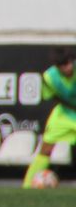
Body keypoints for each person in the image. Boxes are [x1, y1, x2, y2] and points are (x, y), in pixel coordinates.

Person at [26, 48, 76, 187]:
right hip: (64, 114)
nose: (67, 68)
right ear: (57, 66)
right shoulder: (49, 77)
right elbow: (51, 96)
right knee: (46, 148)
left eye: (68, 63)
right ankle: (28, 186)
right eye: (62, 66)